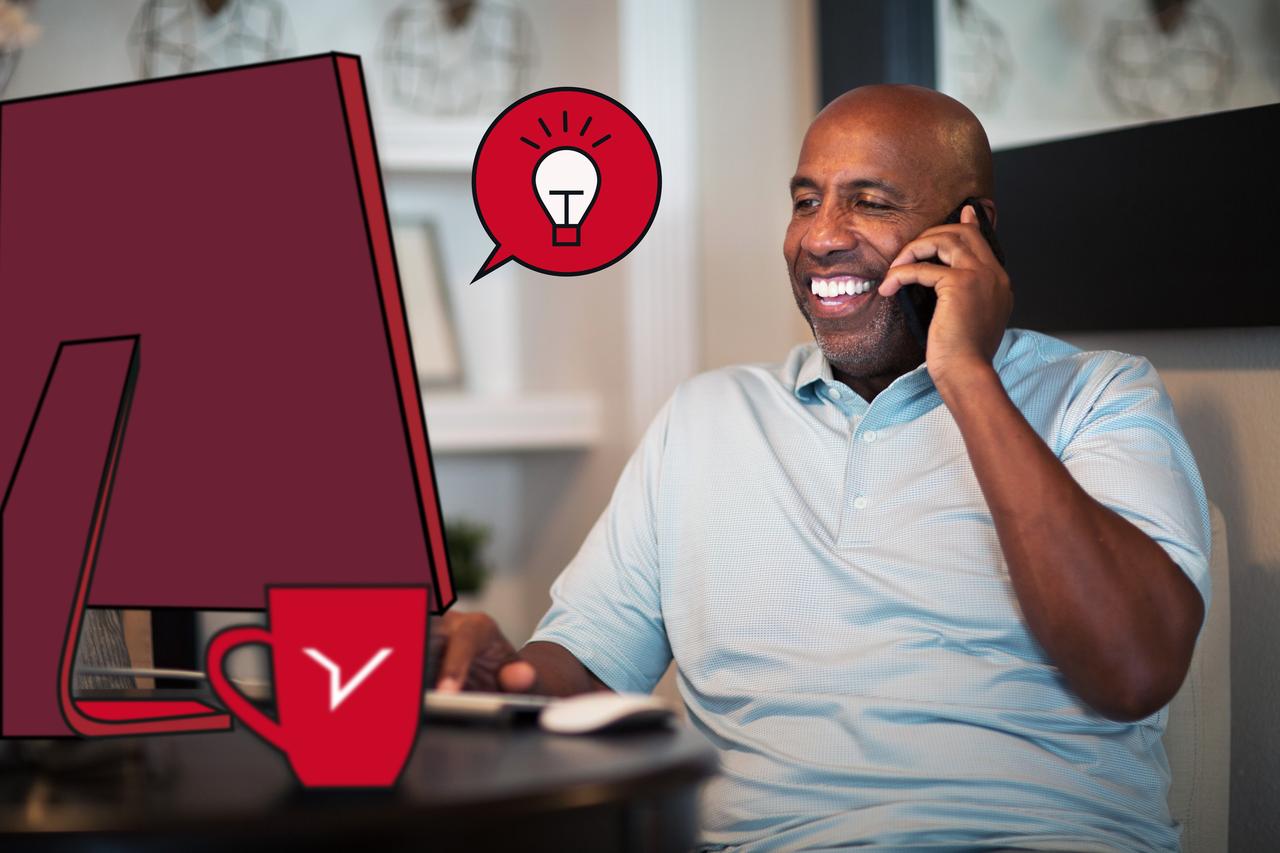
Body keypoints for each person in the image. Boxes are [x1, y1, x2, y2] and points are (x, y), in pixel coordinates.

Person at [433, 85, 1211, 852]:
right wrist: (501, 680)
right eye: (806, 201)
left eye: (870, 201)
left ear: (972, 231)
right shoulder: (705, 418)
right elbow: (587, 675)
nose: (821, 237)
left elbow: (1133, 670)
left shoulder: (1100, 396)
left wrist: (966, 372)